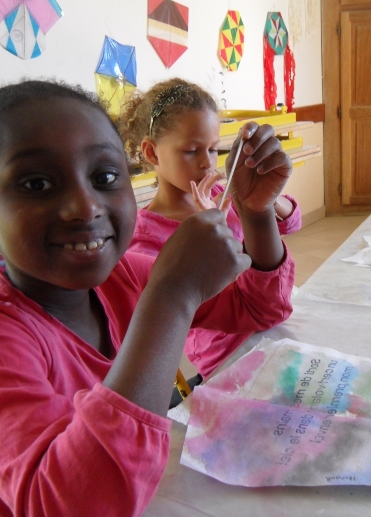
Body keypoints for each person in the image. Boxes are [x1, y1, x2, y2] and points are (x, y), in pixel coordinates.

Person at [0, 79, 295, 517]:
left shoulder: (124, 276)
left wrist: (255, 210)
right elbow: (74, 511)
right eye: (37, 184)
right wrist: (171, 298)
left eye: (105, 177)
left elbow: (261, 309)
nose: (84, 206)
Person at [121, 78, 302, 380]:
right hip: (224, 355)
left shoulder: (223, 190)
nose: (207, 164)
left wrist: (266, 201)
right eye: (191, 151)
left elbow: (292, 223)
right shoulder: (144, 240)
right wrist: (212, 231)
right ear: (152, 154)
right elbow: (180, 313)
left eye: (214, 149)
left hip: (274, 323)